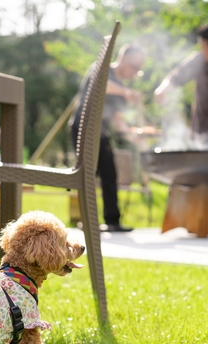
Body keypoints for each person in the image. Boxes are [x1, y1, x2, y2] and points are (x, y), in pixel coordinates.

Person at [70, 44, 145, 232]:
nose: (135, 73)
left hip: (102, 131)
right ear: (124, 58)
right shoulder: (101, 68)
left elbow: (117, 119)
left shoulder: (122, 89)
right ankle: (86, 220)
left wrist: (132, 136)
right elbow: (99, 83)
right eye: (135, 68)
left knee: (110, 173)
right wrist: (124, 91)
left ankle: (113, 221)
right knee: (88, 174)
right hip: (84, 127)